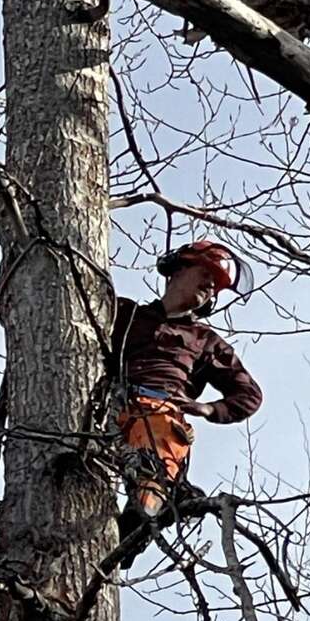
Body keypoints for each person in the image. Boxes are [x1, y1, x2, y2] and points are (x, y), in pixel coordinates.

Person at [111, 240, 262, 566]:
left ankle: (137, 523)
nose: (210, 286)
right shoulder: (124, 314)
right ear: (176, 271)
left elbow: (248, 395)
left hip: (160, 413)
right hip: (110, 410)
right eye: (205, 274)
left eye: (216, 286)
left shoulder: (204, 341)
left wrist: (210, 409)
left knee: (160, 457)